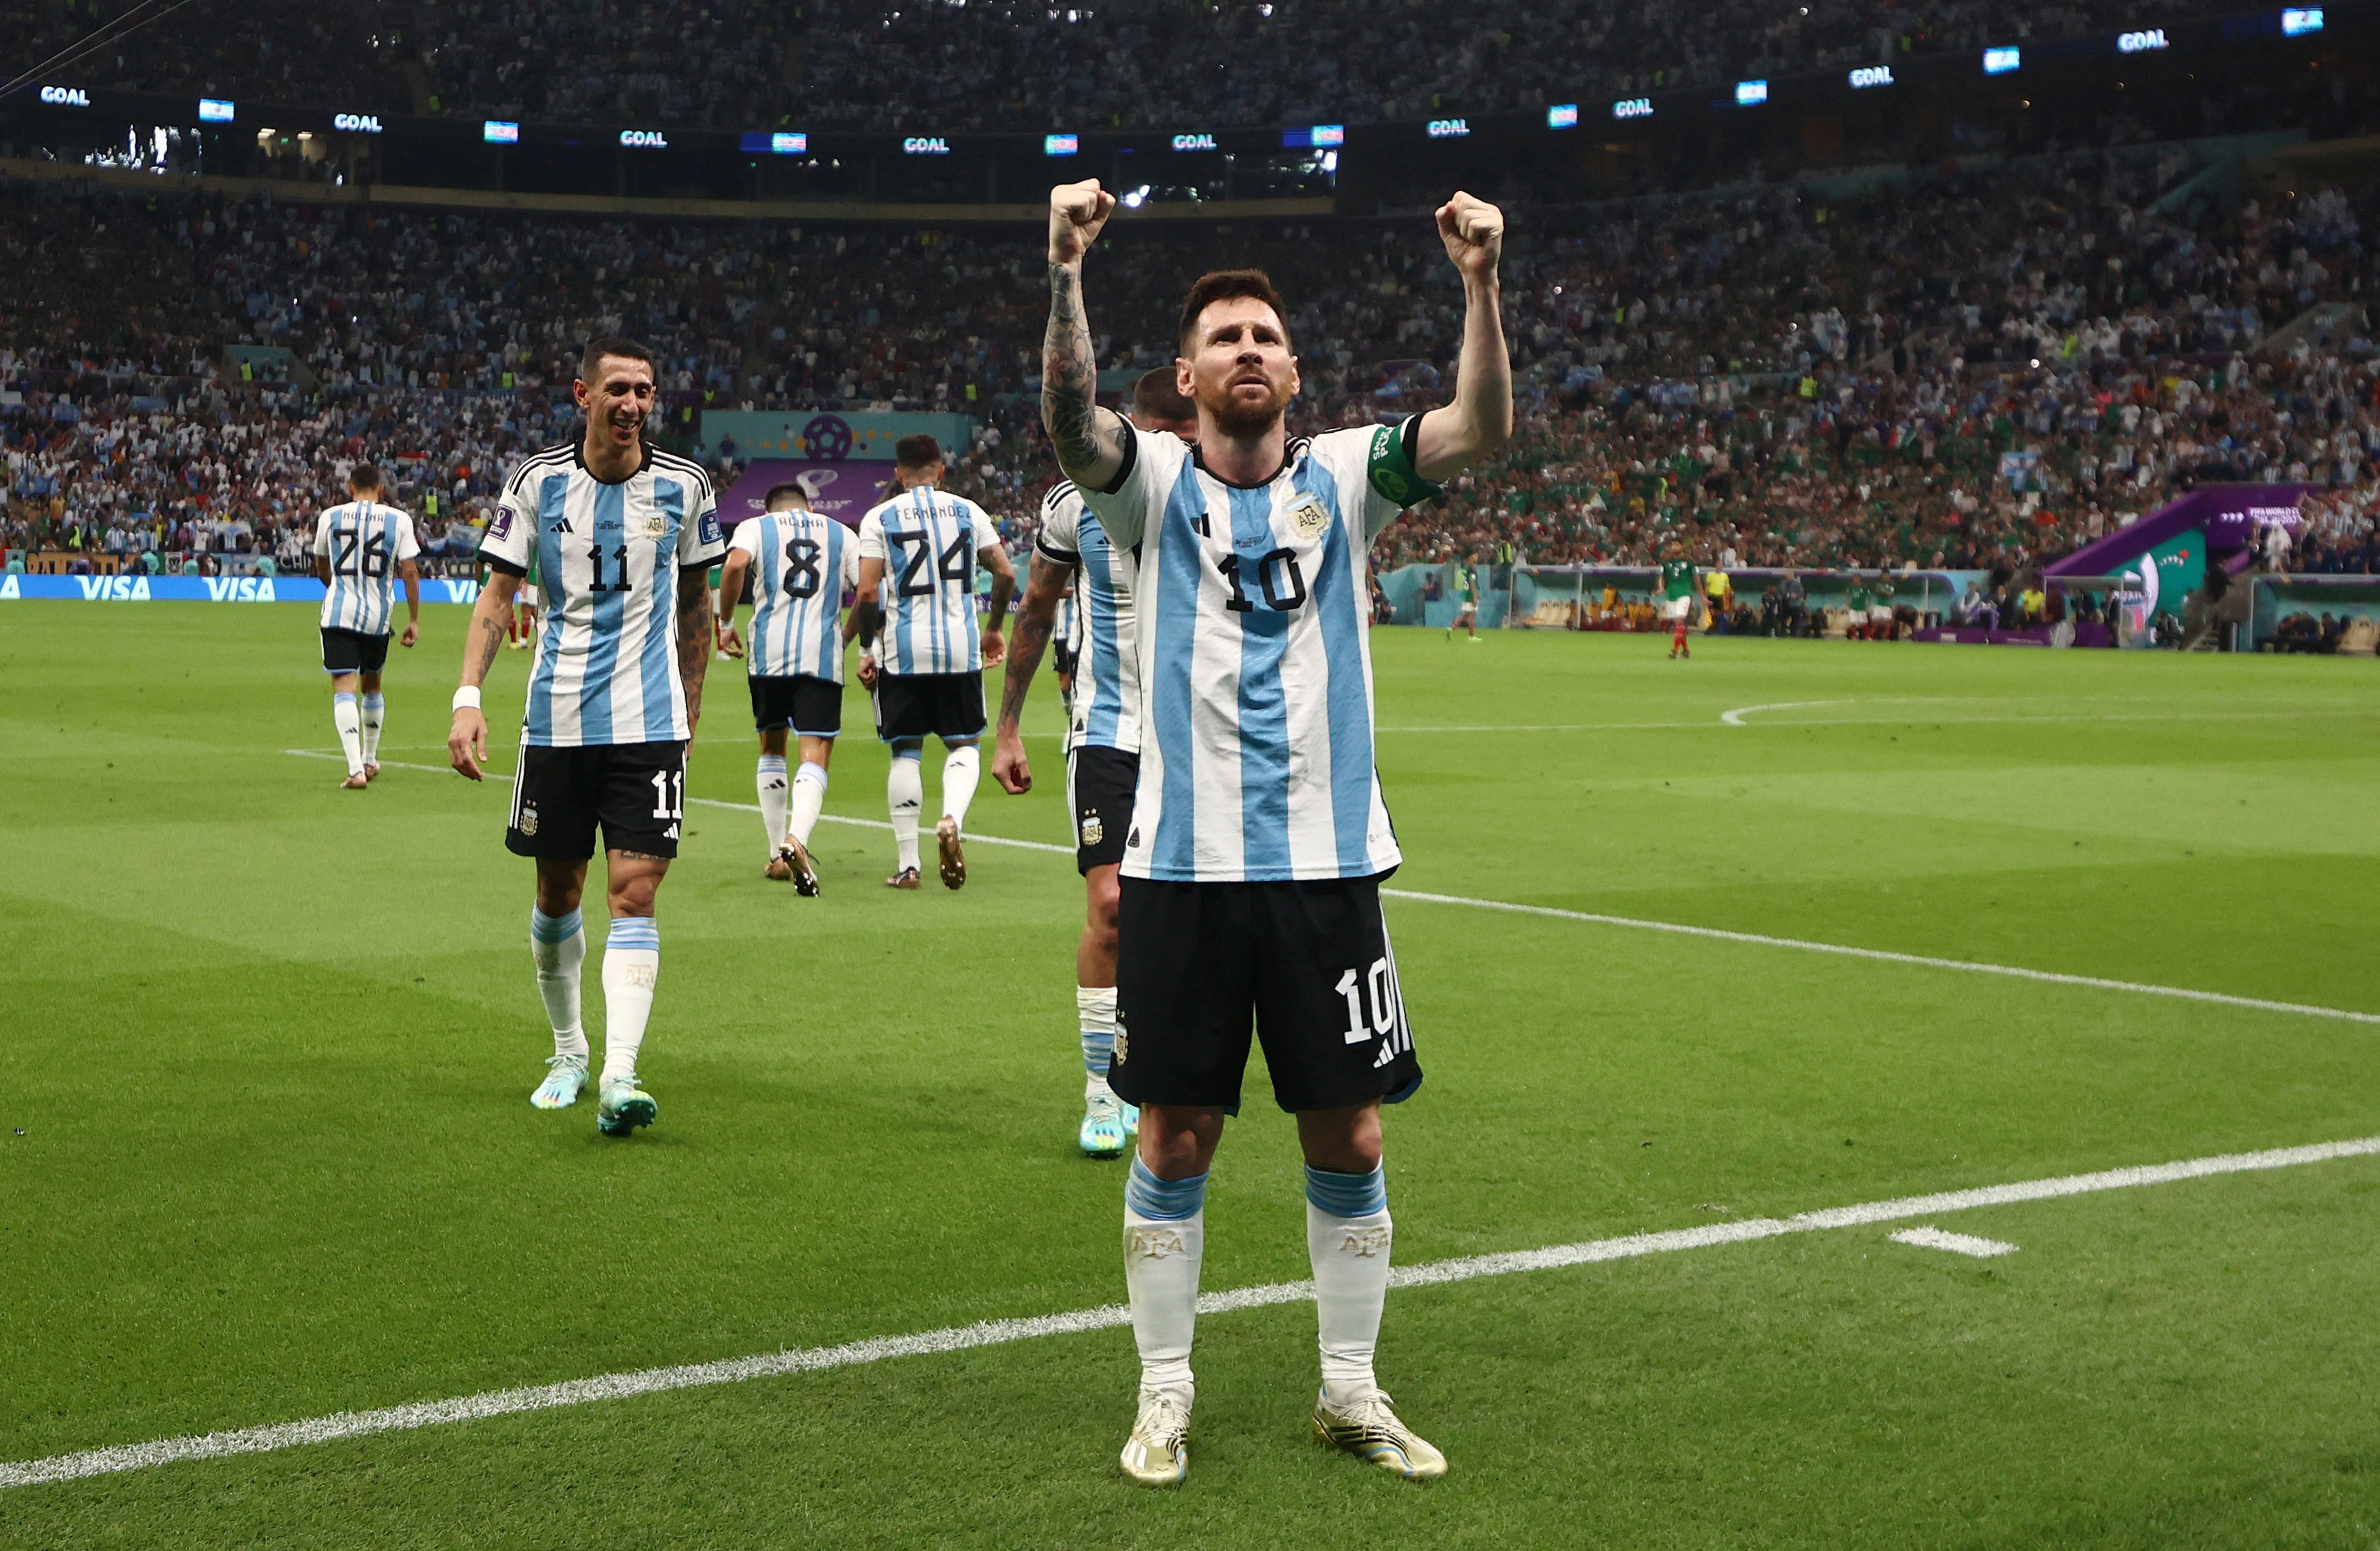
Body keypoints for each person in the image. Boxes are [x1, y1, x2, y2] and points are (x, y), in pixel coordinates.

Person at [1041, 178, 1510, 1486]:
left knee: (1349, 1135)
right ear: (1185, 374)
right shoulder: (1142, 488)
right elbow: (1070, 426)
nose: (1248, 351)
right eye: (1225, 338)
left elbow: (1480, 427)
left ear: (1294, 368)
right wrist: (1065, 267)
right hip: (1182, 868)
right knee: (1174, 1135)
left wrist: (1478, 281)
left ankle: (1350, 1391)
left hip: (1328, 869)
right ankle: (1164, 1392)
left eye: (1267, 335)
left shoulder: (1352, 473)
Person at [446, 336, 725, 1137]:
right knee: (557, 892)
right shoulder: (538, 483)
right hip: (558, 724)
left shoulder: (685, 486)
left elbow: (696, 610)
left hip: (650, 726)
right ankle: (568, 1050)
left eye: (645, 390)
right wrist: (469, 696)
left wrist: (691, 716)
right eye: (618, 389)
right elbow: (498, 597)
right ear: (582, 393)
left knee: (635, 892)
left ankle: (620, 1071)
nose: (633, 404)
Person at [993, 369, 1196, 1159]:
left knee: (1186, 916)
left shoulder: (1232, 491)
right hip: (1109, 729)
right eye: (1163, 439)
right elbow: (1037, 605)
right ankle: (1101, 1090)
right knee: (1111, 905)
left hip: (1200, 738)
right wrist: (1008, 727)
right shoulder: (1075, 501)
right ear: (1130, 430)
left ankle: (1171, 1069)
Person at [852, 434, 1015, 890]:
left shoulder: (879, 517)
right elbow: (1004, 571)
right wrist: (994, 627)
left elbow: (866, 592)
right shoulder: (969, 511)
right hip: (960, 649)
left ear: (898, 473)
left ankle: (909, 865)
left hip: (903, 653)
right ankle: (951, 820)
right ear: (942, 470)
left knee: (906, 750)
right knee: (963, 746)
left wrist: (867, 650)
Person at [716, 481, 858, 892]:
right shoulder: (839, 533)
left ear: (769, 508)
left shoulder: (756, 527)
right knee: (815, 748)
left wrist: (725, 624)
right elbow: (867, 592)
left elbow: (734, 566)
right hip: (820, 655)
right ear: (809, 506)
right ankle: (797, 839)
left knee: (771, 744)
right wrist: (847, 638)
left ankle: (777, 854)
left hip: (768, 652)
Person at [310, 464, 420, 788]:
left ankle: (356, 768)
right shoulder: (398, 520)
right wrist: (414, 619)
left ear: (350, 487)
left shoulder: (329, 517)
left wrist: (337, 587)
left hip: (339, 613)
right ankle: (370, 760)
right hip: (378, 615)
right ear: (381, 489)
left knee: (344, 688)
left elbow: (320, 564)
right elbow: (410, 572)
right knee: (372, 684)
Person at [1657, 542, 1700, 658]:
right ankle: (1686, 650)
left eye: (1677, 545)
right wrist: (1661, 588)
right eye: (1672, 545)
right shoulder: (1666, 563)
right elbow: (1661, 576)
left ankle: (1674, 651)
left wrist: (1702, 596)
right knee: (1678, 624)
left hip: (1684, 594)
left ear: (1682, 547)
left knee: (1680, 621)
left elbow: (1697, 579)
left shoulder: (1690, 562)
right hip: (1671, 595)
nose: (1674, 547)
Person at [1447, 555, 1479, 640]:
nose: (1477, 557)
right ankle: (1471, 637)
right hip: (1470, 595)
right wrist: (1475, 597)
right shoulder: (1471, 570)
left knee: (1466, 614)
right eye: (1475, 555)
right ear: (1470, 557)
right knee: (1472, 615)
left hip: (1467, 594)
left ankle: (1452, 627)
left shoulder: (1465, 569)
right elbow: (1472, 583)